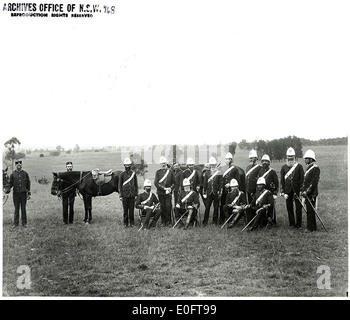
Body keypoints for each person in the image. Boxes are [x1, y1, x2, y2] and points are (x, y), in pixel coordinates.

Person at [280, 147, 305, 229]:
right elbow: (282, 181)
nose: (290, 158)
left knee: (298, 208)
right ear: (286, 157)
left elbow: (302, 179)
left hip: (297, 190)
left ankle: (298, 224)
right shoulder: (283, 168)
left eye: (292, 156)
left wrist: (301, 190)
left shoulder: (299, 167)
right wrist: (282, 191)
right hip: (288, 190)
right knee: (289, 207)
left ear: (294, 157)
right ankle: (291, 223)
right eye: (289, 156)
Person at [220, 152, 245, 224]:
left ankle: (231, 219)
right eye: (226, 159)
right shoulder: (223, 168)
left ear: (231, 160)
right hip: (224, 190)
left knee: (231, 204)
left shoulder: (235, 169)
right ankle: (222, 219)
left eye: (228, 159)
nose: (227, 161)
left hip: (231, 190)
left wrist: (230, 184)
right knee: (223, 204)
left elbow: (237, 180)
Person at [300, 149, 320, 233]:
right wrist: (302, 190)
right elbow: (305, 182)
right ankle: (312, 227)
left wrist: (307, 191)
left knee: (310, 211)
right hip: (306, 193)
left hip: (311, 193)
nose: (305, 160)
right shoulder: (308, 168)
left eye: (306, 158)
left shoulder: (315, 168)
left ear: (311, 159)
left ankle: (310, 228)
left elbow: (313, 182)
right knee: (309, 210)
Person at [6, 160, 31, 228]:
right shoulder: (13, 174)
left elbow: (28, 183)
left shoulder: (25, 173)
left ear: (21, 165)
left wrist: (29, 192)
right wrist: (7, 190)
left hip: (23, 194)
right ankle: (15, 223)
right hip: (16, 194)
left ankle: (24, 223)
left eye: (20, 164)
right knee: (16, 209)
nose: (19, 166)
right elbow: (10, 184)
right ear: (15, 166)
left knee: (23, 208)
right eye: (17, 165)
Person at [257, 154, 279, 224]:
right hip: (263, 192)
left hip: (270, 192)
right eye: (263, 161)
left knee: (271, 207)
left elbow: (276, 183)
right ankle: (264, 220)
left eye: (266, 161)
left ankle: (272, 220)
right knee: (263, 206)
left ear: (269, 162)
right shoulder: (260, 171)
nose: (264, 162)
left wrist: (275, 193)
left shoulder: (272, 171)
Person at [154, 156, 175, 227]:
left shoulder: (171, 172)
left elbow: (174, 183)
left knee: (168, 207)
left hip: (168, 193)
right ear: (160, 164)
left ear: (166, 163)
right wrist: (163, 189)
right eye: (162, 163)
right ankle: (163, 221)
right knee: (162, 207)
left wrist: (170, 189)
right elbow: (156, 183)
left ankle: (169, 221)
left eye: (164, 163)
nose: (163, 164)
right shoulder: (158, 172)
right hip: (161, 193)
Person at [118, 157, 138, 228]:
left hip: (132, 194)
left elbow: (136, 185)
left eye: (128, 165)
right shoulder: (122, 174)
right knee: (125, 210)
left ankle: (132, 223)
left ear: (130, 165)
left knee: (131, 210)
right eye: (126, 165)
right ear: (124, 165)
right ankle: (125, 223)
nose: (127, 166)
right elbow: (120, 186)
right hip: (125, 195)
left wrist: (136, 194)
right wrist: (120, 195)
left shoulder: (133, 174)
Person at [202, 156, 222, 226]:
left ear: (215, 164)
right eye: (211, 164)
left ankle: (214, 221)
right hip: (209, 192)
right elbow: (205, 183)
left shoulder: (219, 172)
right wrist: (204, 192)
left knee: (216, 208)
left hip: (216, 192)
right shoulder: (207, 173)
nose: (212, 165)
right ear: (210, 165)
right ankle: (205, 221)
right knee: (207, 207)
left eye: (213, 164)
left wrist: (220, 191)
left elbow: (220, 183)